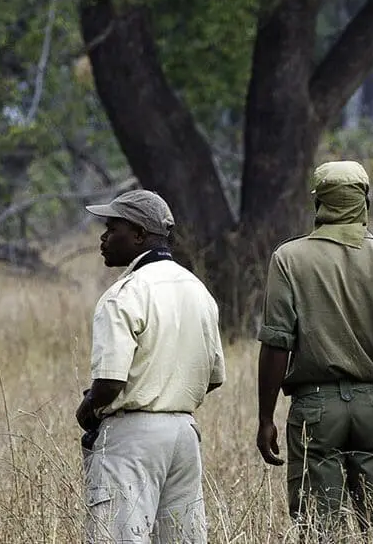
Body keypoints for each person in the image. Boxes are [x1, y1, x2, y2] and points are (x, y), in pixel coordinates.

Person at [253, 160, 373, 542]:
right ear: (365, 201)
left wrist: (266, 418)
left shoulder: (288, 259)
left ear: (318, 203)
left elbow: (276, 344)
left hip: (314, 411)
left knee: (319, 530)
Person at [78, 189, 226, 544]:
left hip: (132, 437)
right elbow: (212, 377)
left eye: (113, 228)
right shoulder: (198, 290)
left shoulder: (124, 293)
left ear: (140, 235)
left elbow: (110, 382)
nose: (104, 237)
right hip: (184, 435)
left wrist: (87, 411)